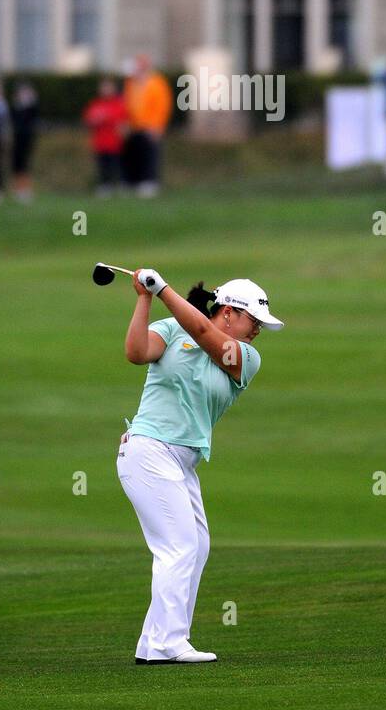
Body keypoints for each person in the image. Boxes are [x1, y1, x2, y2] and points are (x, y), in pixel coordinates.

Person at [117, 268, 284, 664]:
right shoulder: (172, 330)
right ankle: (167, 644)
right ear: (227, 312)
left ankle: (154, 641)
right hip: (150, 451)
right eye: (253, 321)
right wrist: (145, 297)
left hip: (182, 462)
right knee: (179, 546)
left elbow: (207, 339)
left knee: (197, 546)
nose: (257, 329)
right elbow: (136, 353)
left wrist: (163, 290)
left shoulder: (245, 357)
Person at [123, 54, 174, 197]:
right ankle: (133, 182)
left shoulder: (157, 83)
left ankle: (149, 182)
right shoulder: (131, 83)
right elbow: (127, 104)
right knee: (133, 155)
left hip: (151, 126)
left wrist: (158, 125)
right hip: (134, 126)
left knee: (150, 155)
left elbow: (163, 105)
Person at [82, 77, 128, 195]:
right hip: (100, 143)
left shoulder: (119, 103)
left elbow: (123, 120)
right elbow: (89, 120)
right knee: (103, 166)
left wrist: (106, 118)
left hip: (115, 143)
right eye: (103, 87)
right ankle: (105, 185)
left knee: (117, 165)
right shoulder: (96, 104)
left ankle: (121, 185)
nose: (105, 90)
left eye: (108, 87)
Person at [10, 82, 39, 202]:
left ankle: (25, 190)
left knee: (24, 165)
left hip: (26, 140)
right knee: (16, 165)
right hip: (16, 140)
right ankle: (18, 190)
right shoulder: (15, 107)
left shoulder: (31, 108)